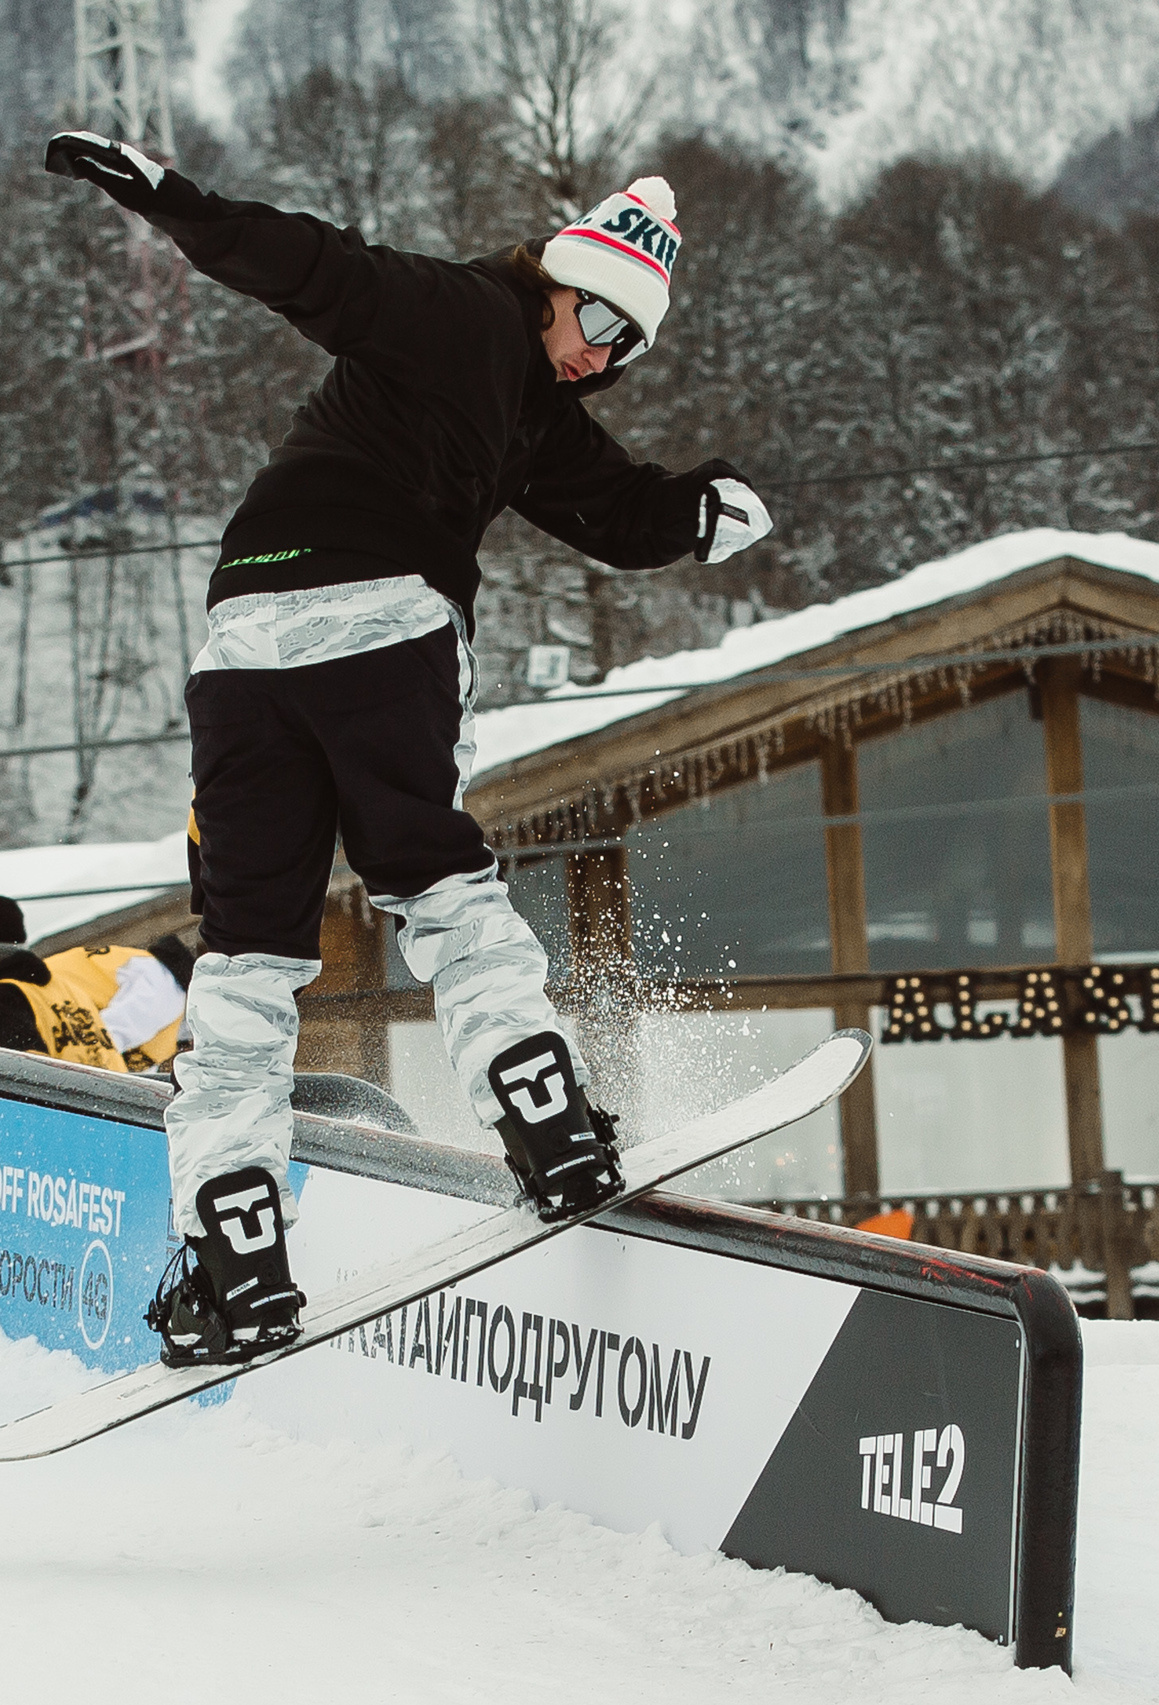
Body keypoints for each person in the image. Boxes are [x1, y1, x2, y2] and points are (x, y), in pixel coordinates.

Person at [47, 135, 774, 1365]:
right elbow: (314, 267)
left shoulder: (533, 412)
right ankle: (546, 1119)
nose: (599, 351)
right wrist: (178, 203)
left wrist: (691, 514)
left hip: (241, 643)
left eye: (625, 345)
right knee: (434, 874)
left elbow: (613, 504)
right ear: (552, 273)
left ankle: (235, 1255)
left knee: (248, 947)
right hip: (380, 619)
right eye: (596, 314)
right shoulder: (456, 308)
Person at [0, 893, 192, 1071]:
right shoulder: (69, 991)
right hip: (103, 1115)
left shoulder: (1, 997)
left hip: (62, 1123)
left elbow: (23, 1080)